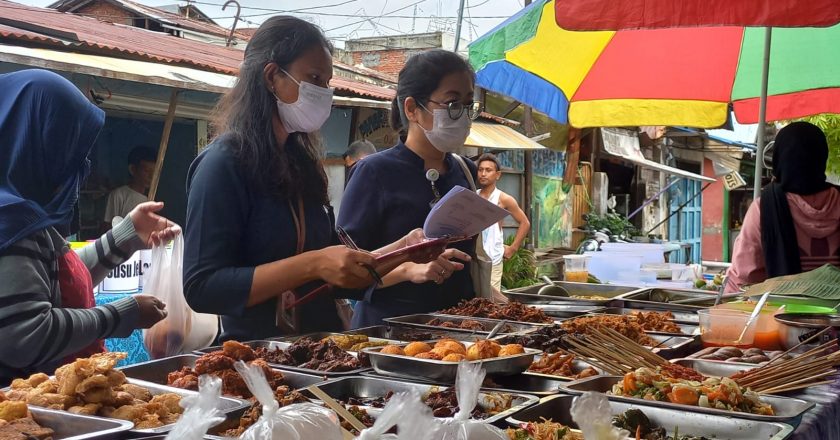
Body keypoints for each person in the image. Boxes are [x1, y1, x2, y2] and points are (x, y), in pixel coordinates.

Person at [183, 17, 439, 341]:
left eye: (327, 81)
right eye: (314, 78)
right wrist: (312, 264)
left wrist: (403, 250)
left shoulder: (299, 162)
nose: (324, 92)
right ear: (272, 76)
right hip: (261, 362)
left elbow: (338, 271)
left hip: (319, 355)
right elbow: (202, 287)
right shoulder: (223, 164)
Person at [0, 69, 178, 385]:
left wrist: (125, 237)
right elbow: (24, 335)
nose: (81, 167)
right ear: (35, 142)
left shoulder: (27, 213)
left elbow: (54, 284)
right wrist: (120, 316)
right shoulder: (9, 222)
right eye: (70, 149)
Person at [339, 49, 481, 328]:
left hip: (457, 330)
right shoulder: (374, 172)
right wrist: (406, 269)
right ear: (412, 108)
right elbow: (346, 273)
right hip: (388, 336)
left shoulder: (465, 170)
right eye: (452, 103)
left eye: (468, 104)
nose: (462, 115)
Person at [727, 122, 840, 291]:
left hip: (780, 315)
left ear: (779, 158)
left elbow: (745, 276)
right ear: (822, 157)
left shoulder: (764, 208)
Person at [475, 153, 531, 295]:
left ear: (498, 175)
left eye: (488, 170)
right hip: (475, 257)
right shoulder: (473, 196)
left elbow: (525, 222)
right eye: (480, 170)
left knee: (492, 298)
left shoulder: (504, 199)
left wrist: (513, 248)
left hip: (493, 257)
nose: (483, 173)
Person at [103, 146, 156, 228]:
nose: (151, 176)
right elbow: (108, 227)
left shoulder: (153, 198)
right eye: (147, 171)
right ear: (133, 169)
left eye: (154, 171)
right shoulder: (118, 195)